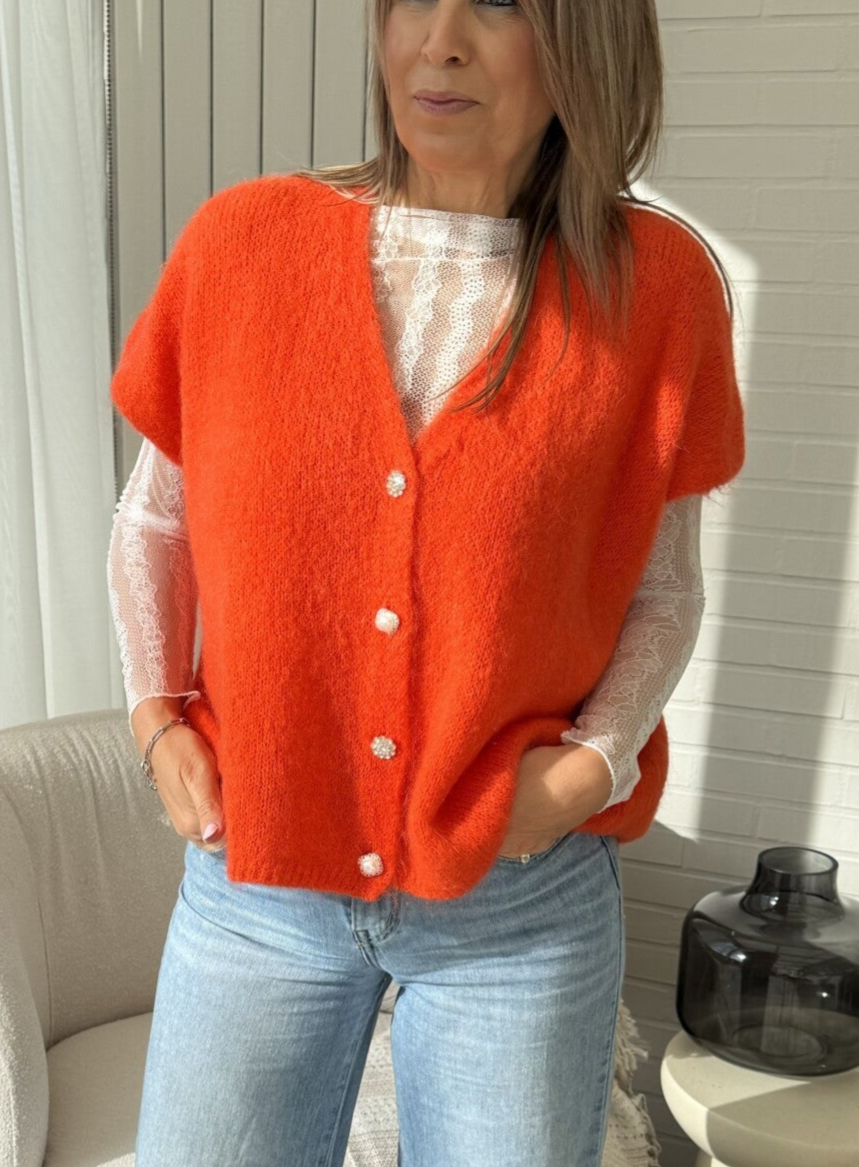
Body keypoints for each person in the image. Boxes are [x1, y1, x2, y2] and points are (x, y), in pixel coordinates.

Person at [107, 2, 745, 1164]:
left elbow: (662, 590)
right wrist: (156, 721)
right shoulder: (241, 245)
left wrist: (586, 772)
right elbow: (156, 520)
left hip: (517, 908)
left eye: (495, 4)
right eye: (411, 0)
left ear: (584, 39)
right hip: (259, 889)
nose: (436, 40)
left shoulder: (655, 287)